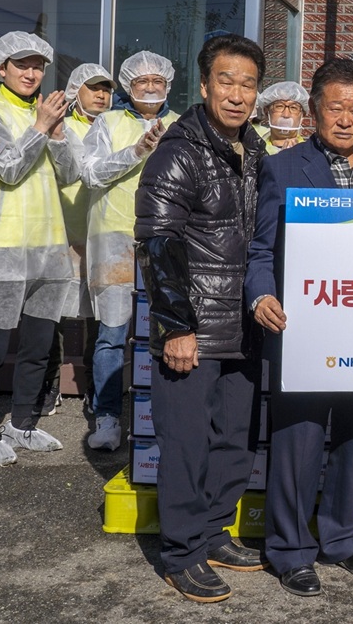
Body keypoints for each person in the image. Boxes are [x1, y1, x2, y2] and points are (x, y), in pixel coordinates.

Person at [246, 58, 353, 598]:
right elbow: (261, 248)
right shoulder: (283, 167)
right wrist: (261, 295)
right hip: (304, 332)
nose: (345, 119)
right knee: (298, 442)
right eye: (335, 108)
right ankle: (290, 550)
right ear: (314, 110)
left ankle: (341, 538)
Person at [134, 34, 269, 603]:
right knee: (187, 446)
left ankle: (214, 532)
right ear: (205, 84)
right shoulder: (179, 150)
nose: (237, 94)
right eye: (226, 81)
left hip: (244, 326)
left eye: (248, 84)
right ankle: (183, 552)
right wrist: (176, 326)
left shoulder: (254, 150)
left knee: (233, 441)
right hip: (193, 328)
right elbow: (157, 241)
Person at [0, 31, 79, 466]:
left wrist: (59, 135)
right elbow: (7, 169)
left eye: (37, 66)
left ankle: (24, 423)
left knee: (38, 347)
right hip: (1, 247)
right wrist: (41, 128)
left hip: (49, 246)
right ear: (1, 69)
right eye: (21, 65)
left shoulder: (46, 113)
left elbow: (70, 175)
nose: (31, 73)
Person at [82, 51, 179, 451]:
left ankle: (161, 417)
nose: (150, 87)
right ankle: (106, 417)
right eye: (142, 81)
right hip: (115, 238)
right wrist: (136, 151)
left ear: (168, 85)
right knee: (113, 333)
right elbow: (91, 173)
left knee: (167, 329)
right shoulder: (107, 122)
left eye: (158, 80)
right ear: (128, 86)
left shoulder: (181, 125)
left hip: (167, 239)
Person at [39, 62, 114, 418]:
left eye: (106, 89)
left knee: (99, 316)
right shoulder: (60, 128)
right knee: (52, 314)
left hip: (102, 234)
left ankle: (95, 388)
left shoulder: (115, 128)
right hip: (62, 232)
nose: (101, 95)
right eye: (93, 88)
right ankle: (49, 384)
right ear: (74, 91)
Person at [253, 80, 309, 154]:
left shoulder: (309, 154)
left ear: (302, 115)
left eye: (293, 108)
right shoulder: (253, 149)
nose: (286, 115)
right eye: (279, 107)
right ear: (267, 112)